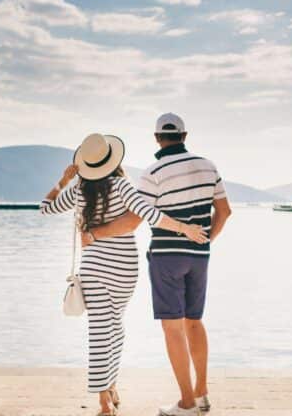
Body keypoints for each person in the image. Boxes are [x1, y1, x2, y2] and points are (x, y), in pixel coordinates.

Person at [40, 133, 208, 416]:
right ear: (113, 160)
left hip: (93, 267)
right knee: (115, 328)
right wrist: (185, 229)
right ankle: (108, 392)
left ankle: (107, 395)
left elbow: (45, 208)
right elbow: (149, 214)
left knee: (99, 331)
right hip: (123, 269)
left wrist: (63, 180)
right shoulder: (122, 185)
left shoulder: (78, 190)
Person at [82, 114, 232, 416]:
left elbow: (134, 219)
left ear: (156, 139)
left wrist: (95, 233)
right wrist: (206, 240)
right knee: (194, 321)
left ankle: (187, 403)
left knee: (172, 328)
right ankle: (202, 392)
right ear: (184, 135)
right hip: (199, 256)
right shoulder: (208, 165)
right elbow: (225, 211)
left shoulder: (153, 172)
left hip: (166, 257)